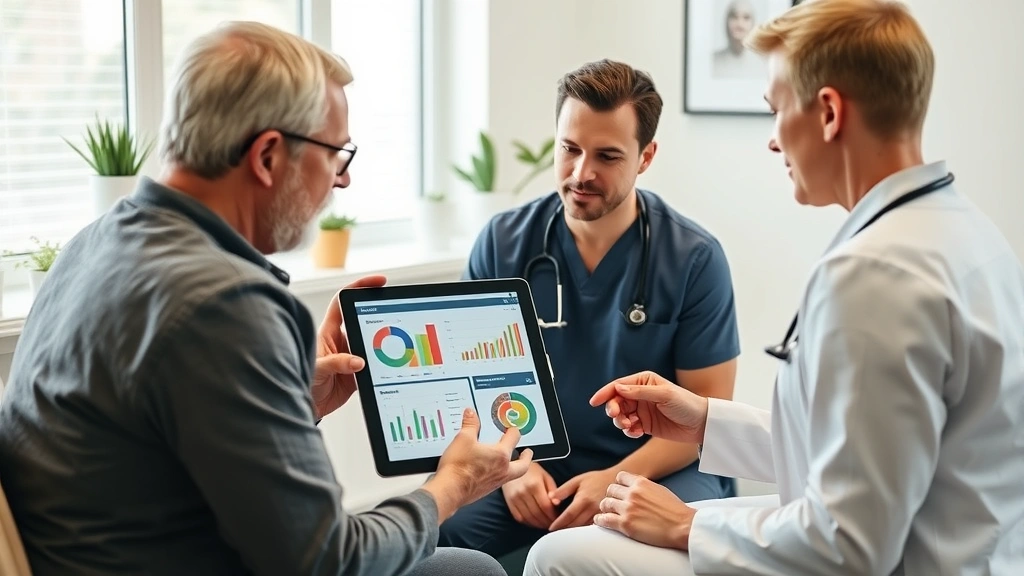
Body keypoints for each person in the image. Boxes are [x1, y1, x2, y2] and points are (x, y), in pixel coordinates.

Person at [0, 21, 533, 576]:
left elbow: (152, 445)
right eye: (336, 154)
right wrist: (451, 486)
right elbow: (329, 562)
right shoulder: (227, 303)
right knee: (469, 570)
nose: (342, 181)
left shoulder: (93, 244)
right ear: (268, 156)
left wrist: (293, 400)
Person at [524, 1, 1024, 574]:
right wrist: (705, 419)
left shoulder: (879, 275)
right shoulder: (965, 233)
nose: (772, 141)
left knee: (558, 559)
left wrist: (688, 524)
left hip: (905, 556)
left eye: (776, 109)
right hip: (948, 537)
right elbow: (864, 452)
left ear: (830, 113)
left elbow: (852, 544)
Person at [437, 59, 741, 560]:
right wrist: (510, 463)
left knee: (655, 553)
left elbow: (707, 419)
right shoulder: (503, 242)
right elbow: (467, 382)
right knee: (438, 535)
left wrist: (616, 481)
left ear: (646, 157)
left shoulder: (693, 259)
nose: (582, 173)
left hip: (660, 464)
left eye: (607, 156)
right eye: (570, 149)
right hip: (530, 461)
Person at [712, 0, 766, 79]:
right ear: (726, 22)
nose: (740, 24)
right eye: (734, 17)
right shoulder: (713, 62)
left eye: (746, 18)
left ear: (753, 23)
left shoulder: (764, 64)